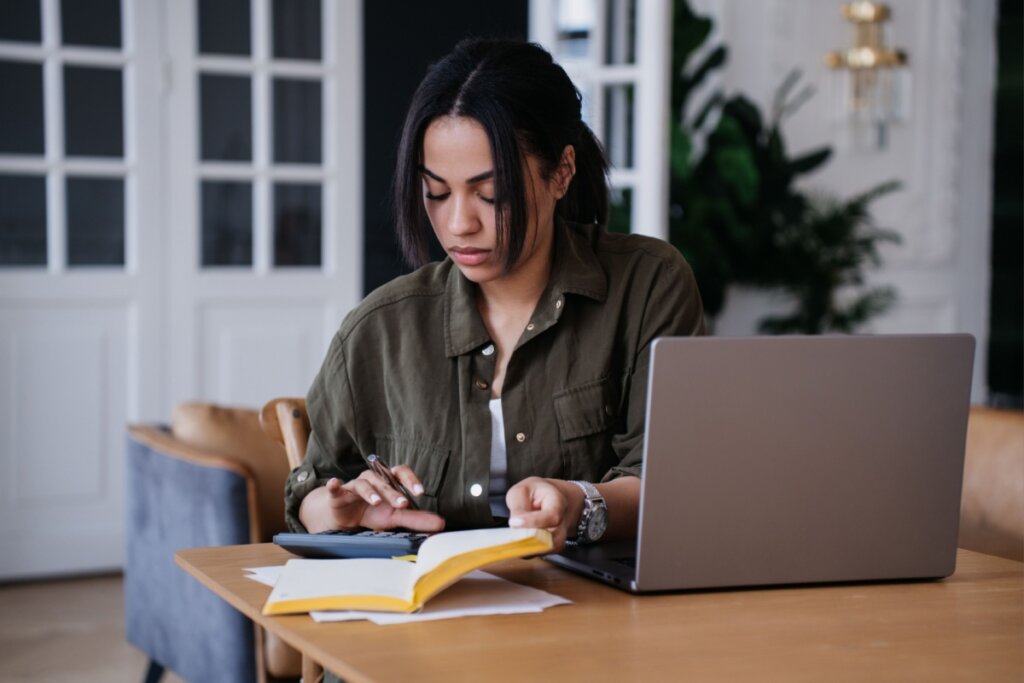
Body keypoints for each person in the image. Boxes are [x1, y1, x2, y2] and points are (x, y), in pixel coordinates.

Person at [285, 37, 705, 553]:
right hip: (424, 621)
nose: (459, 223)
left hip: (596, 615)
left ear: (562, 173)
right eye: (436, 193)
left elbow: (668, 481)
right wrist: (340, 508)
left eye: (491, 194)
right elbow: (310, 489)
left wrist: (580, 503)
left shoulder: (648, 287)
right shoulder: (378, 330)